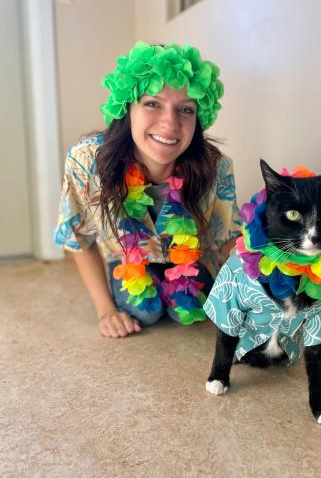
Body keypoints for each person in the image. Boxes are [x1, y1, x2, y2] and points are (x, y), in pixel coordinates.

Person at [54, 41, 241, 338]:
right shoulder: (86, 162)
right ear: (128, 107)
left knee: (189, 312)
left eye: (185, 109)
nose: (170, 124)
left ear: (198, 118)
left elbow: (228, 242)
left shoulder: (215, 167)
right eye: (152, 103)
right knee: (145, 312)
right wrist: (106, 310)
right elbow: (79, 238)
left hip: (190, 260)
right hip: (127, 261)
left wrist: (255, 294)